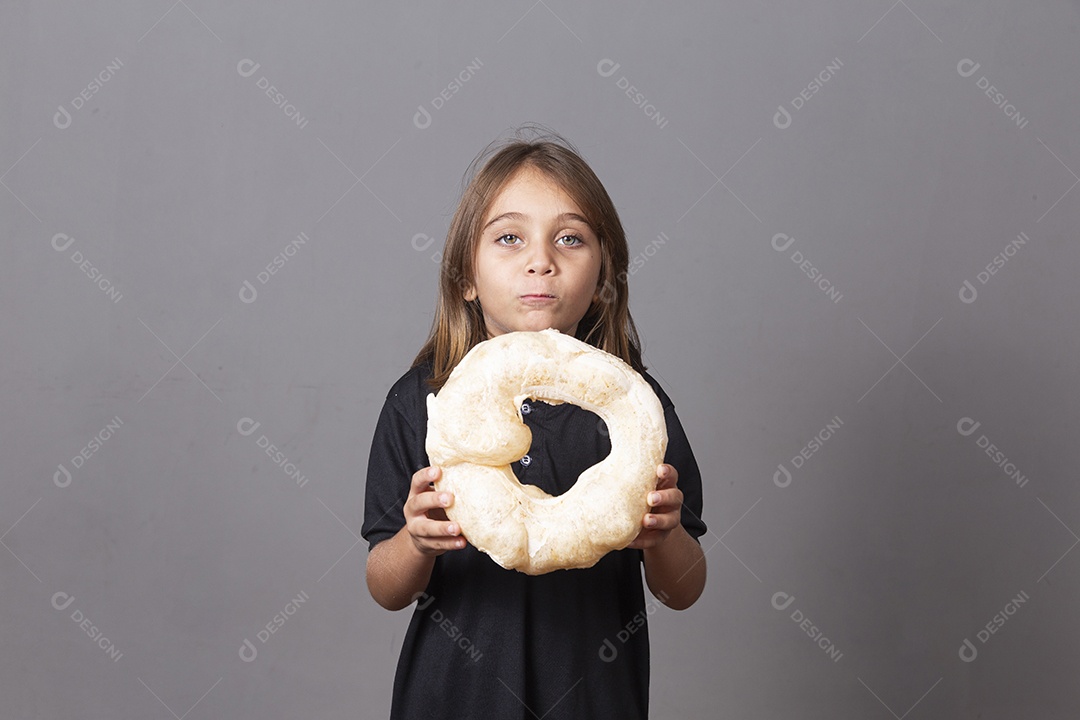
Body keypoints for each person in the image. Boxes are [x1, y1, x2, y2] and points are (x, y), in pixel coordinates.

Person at [361, 129, 707, 720]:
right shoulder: (425, 401)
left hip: (593, 699)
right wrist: (417, 541)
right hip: (451, 700)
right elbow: (386, 588)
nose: (540, 260)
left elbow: (683, 590)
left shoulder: (636, 409)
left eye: (569, 238)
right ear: (465, 277)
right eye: (509, 238)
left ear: (602, 280)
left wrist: (664, 535)